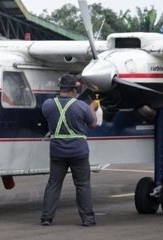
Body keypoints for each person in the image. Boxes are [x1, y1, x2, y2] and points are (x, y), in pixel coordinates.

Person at [40, 74, 99, 227]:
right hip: (78, 152)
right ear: (74, 89)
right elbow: (93, 123)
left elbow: (48, 115)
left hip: (57, 151)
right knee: (82, 184)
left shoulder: (48, 104)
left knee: (53, 184)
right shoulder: (81, 106)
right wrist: (93, 108)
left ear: (61, 88)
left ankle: (46, 218)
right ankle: (88, 219)